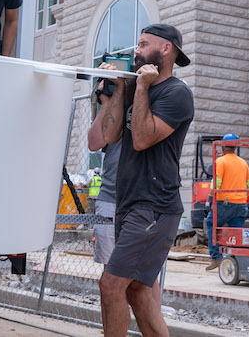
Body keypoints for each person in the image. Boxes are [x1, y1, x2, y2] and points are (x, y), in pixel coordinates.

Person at [97, 24, 195, 337]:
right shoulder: (134, 89)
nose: (135, 51)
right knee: (138, 292)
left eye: (142, 44)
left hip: (154, 207)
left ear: (166, 49)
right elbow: (109, 136)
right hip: (129, 203)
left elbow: (141, 139)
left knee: (111, 284)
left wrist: (140, 89)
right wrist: (120, 88)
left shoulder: (177, 94)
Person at [87, 79, 122, 266]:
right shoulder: (111, 114)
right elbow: (93, 144)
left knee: (138, 276)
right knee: (110, 271)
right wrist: (106, 104)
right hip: (110, 199)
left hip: (137, 203)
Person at [205, 132, 249, 270]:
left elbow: (217, 182)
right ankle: (236, 260)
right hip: (241, 204)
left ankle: (216, 257)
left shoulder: (220, 161)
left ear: (223, 148)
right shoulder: (243, 163)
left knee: (211, 224)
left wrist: (209, 200)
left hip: (224, 203)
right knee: (236, 233)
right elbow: (248, 185)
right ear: (235, 148)